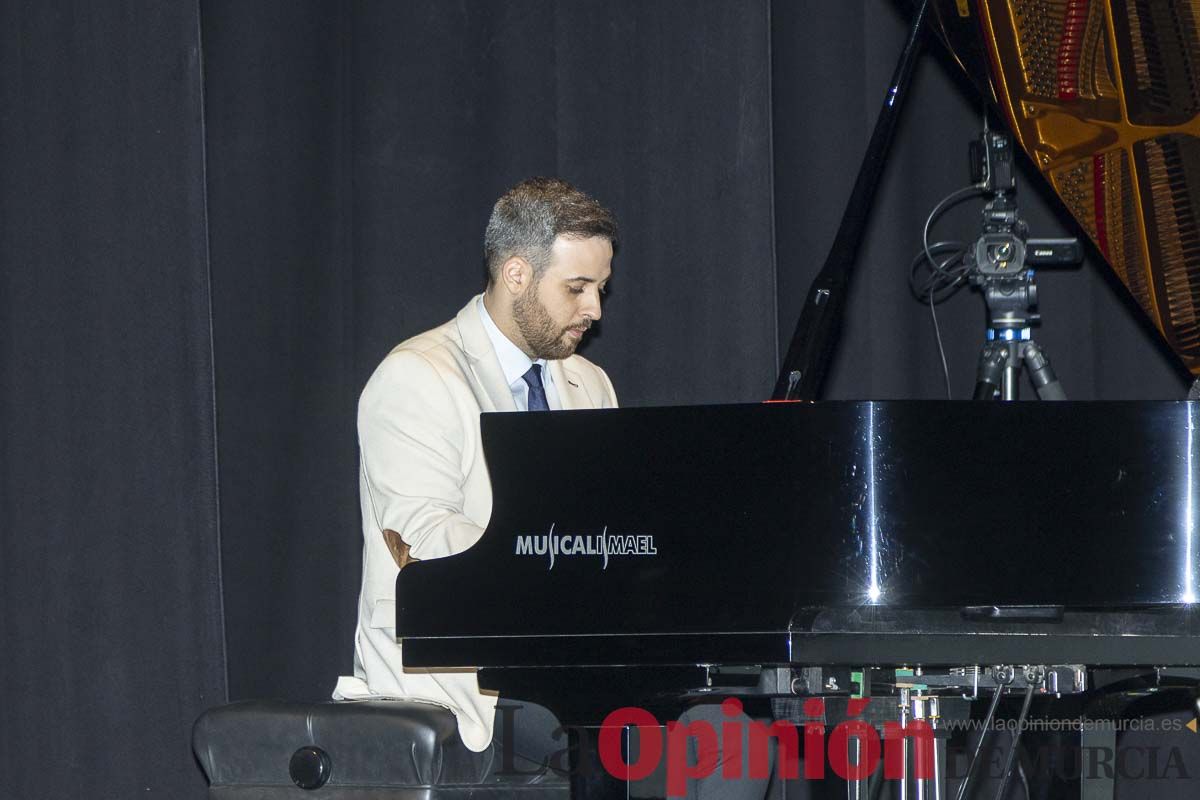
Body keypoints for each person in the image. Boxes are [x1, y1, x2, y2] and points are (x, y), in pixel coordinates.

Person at [332, 177, 619, 756]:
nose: (594, 308)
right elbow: (422, 535)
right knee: (701, 744)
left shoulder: (590, 383)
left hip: (567, 670)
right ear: (517, 275)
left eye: (600, 288)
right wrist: (560, 568)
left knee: (730, 728)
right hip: (460, 680)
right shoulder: (417, 374)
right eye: (578, 287)